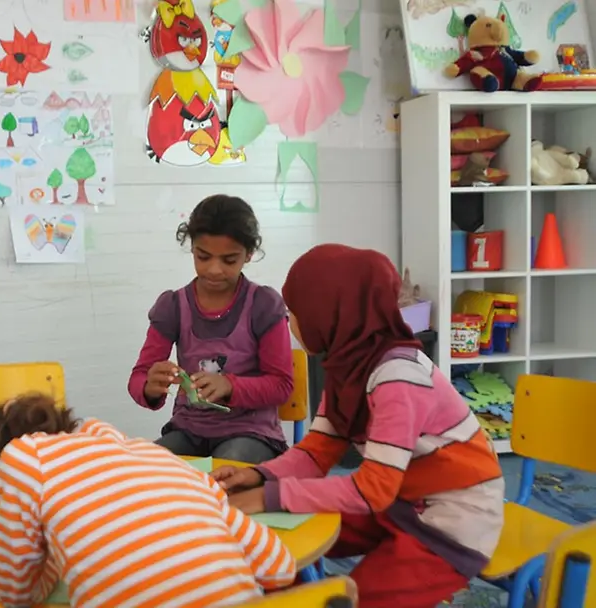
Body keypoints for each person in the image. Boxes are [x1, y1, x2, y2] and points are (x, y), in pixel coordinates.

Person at [212, 244, 505, 608]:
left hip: (450, 525)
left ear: (329, 314)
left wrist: (269, 495)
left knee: (356, 600)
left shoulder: (398, 377)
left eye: (295, 312)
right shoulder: (348, 365)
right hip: (398, 503)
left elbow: (373, 489)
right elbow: (315, 453)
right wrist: (260, 476)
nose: (290, 321)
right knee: (271, 541)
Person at [0, 393, 296, 608]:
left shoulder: (24, 461)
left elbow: (14, 593)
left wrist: (52, 561)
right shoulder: (163, 459)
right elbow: (279, 568)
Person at [128, 195, 294, 464]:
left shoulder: (263, 304)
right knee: (145, 467)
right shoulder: (173, 306)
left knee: (224, 470)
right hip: (188, 430)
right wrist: (150, 386)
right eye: (203, 257)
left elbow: (281, 385)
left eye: (229, 260)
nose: (214, 270)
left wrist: (229, 385)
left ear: (249, 254)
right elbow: (139, 377)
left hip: (251, 432)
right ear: (192, 248)